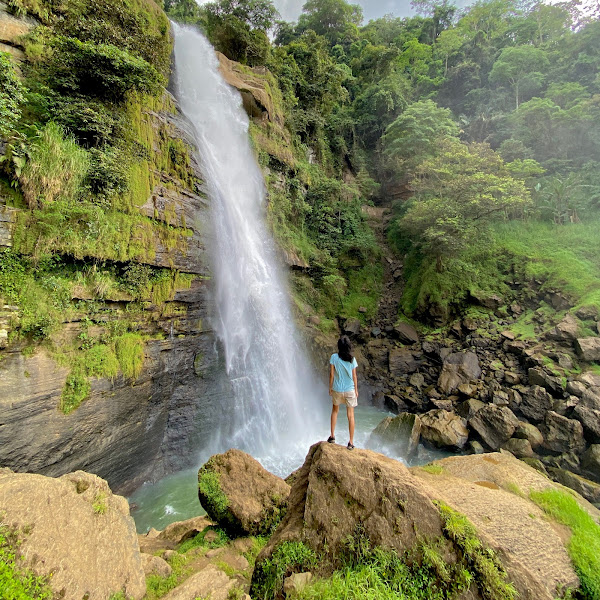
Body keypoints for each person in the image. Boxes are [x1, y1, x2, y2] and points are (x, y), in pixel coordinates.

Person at [328, 335, 358, 450]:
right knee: (350, 416)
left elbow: (331, 374)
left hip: (337, 389)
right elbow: (354, 376)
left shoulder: (334, 357)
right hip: (350, 390)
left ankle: (332, 436)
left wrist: (330, 387)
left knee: (335, 411)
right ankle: (350, 442)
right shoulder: (352, 359)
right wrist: (356, 389)